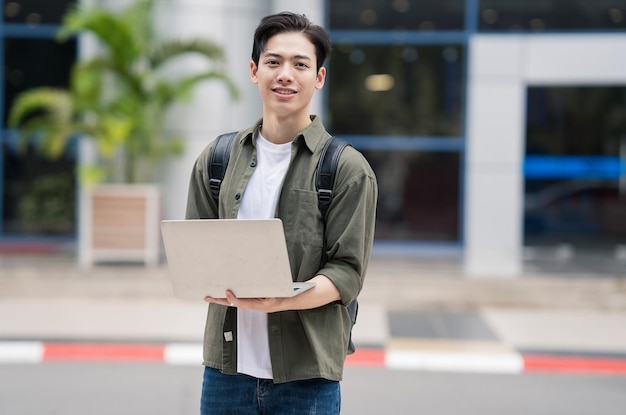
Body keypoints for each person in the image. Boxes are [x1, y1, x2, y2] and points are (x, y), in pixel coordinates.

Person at [185, 11, 378, 415]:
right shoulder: (218, 159)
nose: (285, 74)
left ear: (319, 78)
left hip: (306, 380)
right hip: (226, 374)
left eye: (300, 64)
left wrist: (283, 300)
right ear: (255, 71)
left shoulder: (345, 169)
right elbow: (196, 250)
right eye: (273, 62)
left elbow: (347, 273)